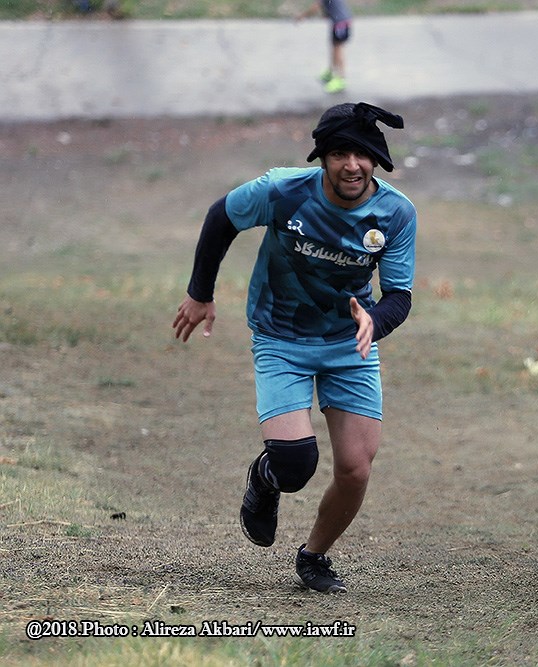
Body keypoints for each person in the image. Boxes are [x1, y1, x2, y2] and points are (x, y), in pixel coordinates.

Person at [172, 102, 417, 593]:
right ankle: (265, 479)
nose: (352, 165)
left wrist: (373, 321)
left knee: (355, 469)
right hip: (281, 337)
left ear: (377, 160)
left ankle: (314, 557)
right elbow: (222, 217)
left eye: (363, 155)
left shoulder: (395, 212)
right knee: (295, 464)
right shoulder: (282, 191)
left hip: (349, 346)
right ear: (322, 158)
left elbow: (399, 295)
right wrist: (200, 293)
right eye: (340, 154)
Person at [297, 0, 353, 94]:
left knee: (338, 49)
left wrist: (302, 16)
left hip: (341, 23)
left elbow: (315, 7)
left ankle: (341, 79)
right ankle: (331, 72)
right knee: (334, 47)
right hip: (338, 22)